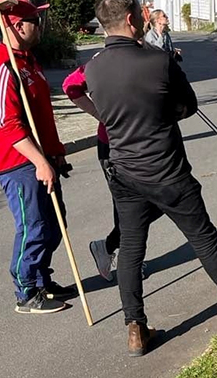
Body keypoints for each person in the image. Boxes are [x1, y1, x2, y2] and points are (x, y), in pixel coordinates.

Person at [85, 0, 217, 357]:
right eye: (141, 14)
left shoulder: (93, 67)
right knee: (203, 237)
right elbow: (186, 107)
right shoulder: (158, 61)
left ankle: (135, 327)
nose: (145, 18)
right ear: (131, 20)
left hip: (123, 170)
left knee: (131, 247)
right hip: (165, 169)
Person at [0, 0, 77, 314]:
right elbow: (8, 124)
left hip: (42, 158)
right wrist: (39, 161)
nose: (41, 25)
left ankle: (39, 278)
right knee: (33, 226)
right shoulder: (1, 69)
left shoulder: (28, 62)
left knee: (54, 223)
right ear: (17, 25)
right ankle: (25, 291)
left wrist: (56, 151)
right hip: (18, 163)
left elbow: (42, 116)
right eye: (36, 19)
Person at [63, 64, 157, 281]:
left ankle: (109, 246)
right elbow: (70, 86)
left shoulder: (147, 55)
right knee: (128, 206)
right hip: (113, 145)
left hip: (145, 143)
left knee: (159, 202)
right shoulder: (102, 60)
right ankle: (129, 258)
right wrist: (100, 114)